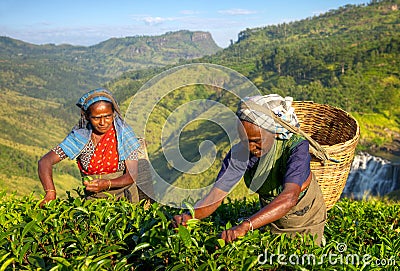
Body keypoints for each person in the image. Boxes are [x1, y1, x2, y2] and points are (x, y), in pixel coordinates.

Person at [174, 94, 327, 245]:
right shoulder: (240, 153)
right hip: (270, 213)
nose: (250, 147)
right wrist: (190, 216)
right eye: (244, 141)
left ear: (273, 131)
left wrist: (246, 225)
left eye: (256, 141)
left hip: (305, 214)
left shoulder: (296, 147)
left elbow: (290, 197)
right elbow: (216, 195)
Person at [38, 88, 146, 206]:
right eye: (96, 117)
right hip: (94, 204)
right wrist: (50, 192)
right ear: (87, 117)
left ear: (113, 114)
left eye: (107, 116)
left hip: (125, 200)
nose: (103, 122)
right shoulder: (80, 138)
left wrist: (107, 184)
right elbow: (45, 161)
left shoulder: (123, 135)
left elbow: (132, 175)